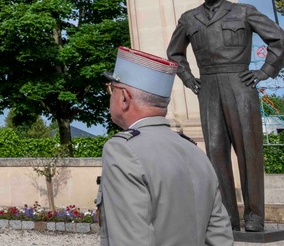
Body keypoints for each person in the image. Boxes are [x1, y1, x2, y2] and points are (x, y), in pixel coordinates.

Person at [167, 0, 284, 232]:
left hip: (240, 83)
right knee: (216, 153)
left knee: (249, 151)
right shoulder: (189, 19)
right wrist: (188, 78)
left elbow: (280, 39)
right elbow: (175, 53)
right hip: (208, 86)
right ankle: (227, 219)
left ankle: (255, 216)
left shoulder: (244, 11)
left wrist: (265, 71)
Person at [99, 46, 232, 245]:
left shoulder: (122, 150)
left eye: (111, 89)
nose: (110, 95)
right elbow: (220, 238)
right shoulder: (194, 151)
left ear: (125, 97)